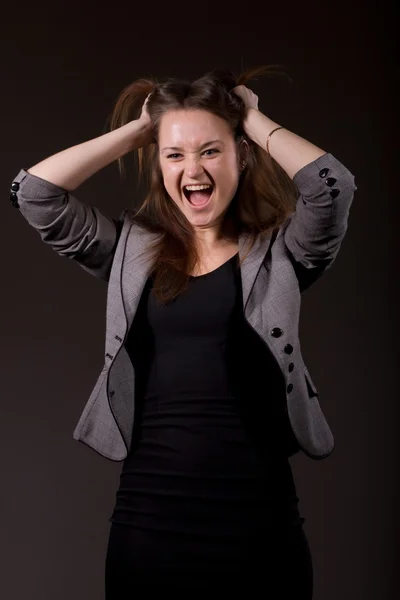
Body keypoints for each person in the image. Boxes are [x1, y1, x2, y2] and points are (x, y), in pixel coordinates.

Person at [10, 66, 357, 598]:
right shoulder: (131, 252)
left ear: (241, 154)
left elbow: (332, 188)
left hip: (259, 525)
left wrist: (253, 119)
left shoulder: (280, 253)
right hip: (149, 523)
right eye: (175, 155)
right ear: (159, 162)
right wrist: (144, 128)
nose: (193, 168)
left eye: (211, 151)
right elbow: (33, 193)